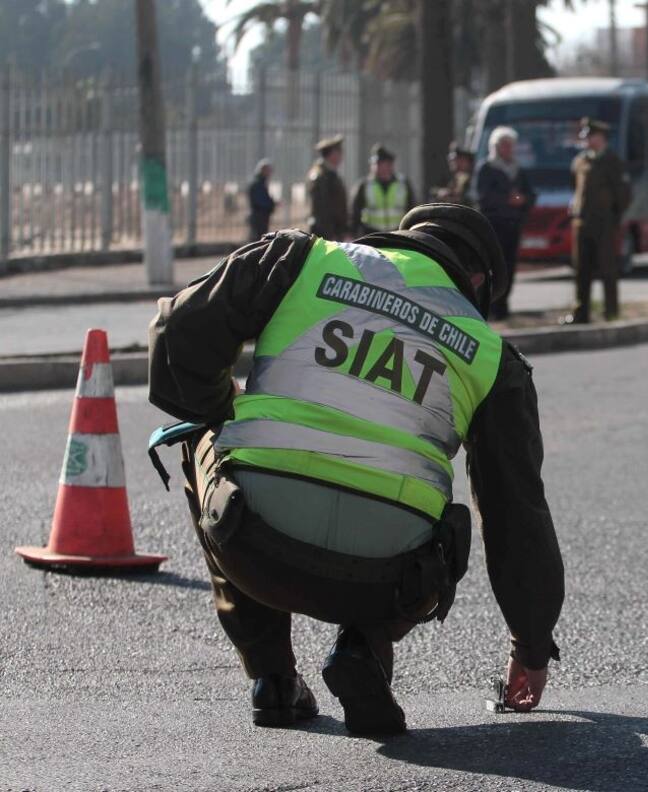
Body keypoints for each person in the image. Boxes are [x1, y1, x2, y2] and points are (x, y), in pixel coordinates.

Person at [147, 203, 564, 735]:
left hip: (251, 545)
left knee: (201, 433)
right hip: (388, 582)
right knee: (430, 509)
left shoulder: (303, 259)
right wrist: (531, 647)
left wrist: (216, 405)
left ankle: (272, 680)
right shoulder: (491, 356)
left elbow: (176, 331)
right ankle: (362, 648)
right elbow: (517, 515)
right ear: (478, 281)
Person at [564, 117, 630, 325]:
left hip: (604, 224)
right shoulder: (580, 161)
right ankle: (580, 313)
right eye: (585, 136)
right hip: (582, 223)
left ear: (601, 137)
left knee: (607, 268)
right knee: (581, 270)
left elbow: (623, 195)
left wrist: (613, 218)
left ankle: (611, 311)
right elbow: (576, 187)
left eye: (590, 136)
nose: (586, 140)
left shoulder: (612, 161)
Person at [475, 126, 536, 320]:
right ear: (496, 147)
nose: (508, 149)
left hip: (513, 225)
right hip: (494, 226)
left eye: (511, 145)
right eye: (504, 145)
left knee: (509, 267)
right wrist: (506, 200)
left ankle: (503, 306)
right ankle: (490, 306)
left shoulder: (518, 170)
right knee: (493, 268)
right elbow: (483, 197)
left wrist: (522, 199)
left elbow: (530, 194)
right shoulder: (487, 168)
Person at [351, 143, 416, 237]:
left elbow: (412, 209)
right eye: (375, 164)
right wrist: (354, 233)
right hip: (372, 234)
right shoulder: (364, 185)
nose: (377, 167)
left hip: (398, 233)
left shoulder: (403, 184)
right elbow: (355, 213)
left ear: (390, 165)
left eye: (381, 164)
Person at [307, 135, 349, 241]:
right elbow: (322, 209)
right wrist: (330, 235)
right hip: (325, 234)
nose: (341, 156)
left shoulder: (330, 174)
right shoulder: (320, 176)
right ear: (332, 154)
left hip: (333, 232)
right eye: (339, 153)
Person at [247, 159, 276, 241]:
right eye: (268, 170)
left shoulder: (261, 183)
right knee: (256, 239)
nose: (270, 173)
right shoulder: (257, 184)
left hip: (261, 216)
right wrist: (271, 203)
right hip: (258, 216)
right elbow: (260, 201)